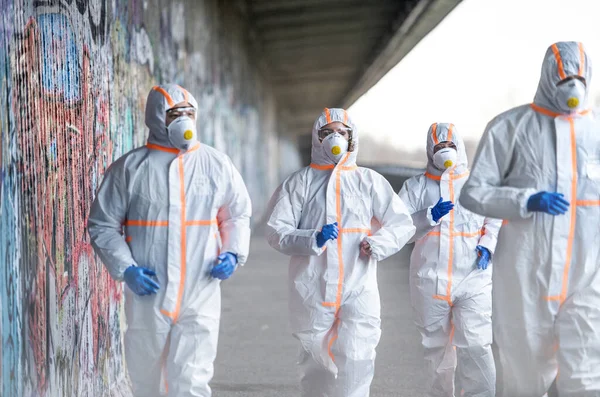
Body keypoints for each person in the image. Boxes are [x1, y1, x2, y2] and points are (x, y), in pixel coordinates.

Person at [88, 84, 252, 397]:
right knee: (146, 379)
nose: (184, 121)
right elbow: (102, 224)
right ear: (156, 118)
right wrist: (126, 269)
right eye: (176, 114)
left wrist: (232, 252)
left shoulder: (216, 165)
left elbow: (236, 215)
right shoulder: (130, 169)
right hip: (149, 293)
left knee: (192, 380)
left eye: (190, 114)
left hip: (200, 290)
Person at [460, 41, 600, 396]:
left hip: (588, 279)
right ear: (548, 76)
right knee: (523, 378)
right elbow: (473, 191)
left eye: (580, 77)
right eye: (565, 76)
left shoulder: (597, 133)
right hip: (526, 281)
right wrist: (525, 199)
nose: (573, 85)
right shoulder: (511, 128)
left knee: (586, 378)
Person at [265, 108, 415, 396]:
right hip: (312, 286)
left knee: (358, 359)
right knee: (317, 365)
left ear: (351, 138)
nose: (335, 137)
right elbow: (275, 230)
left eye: (342, 132)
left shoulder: (368, 181)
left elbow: (402, 223)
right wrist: (311, 238)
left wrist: (379, 244)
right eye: (327, 132)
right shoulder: (300, 183)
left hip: (358, 286)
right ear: (317, 139)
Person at [398, 123, 501, 397]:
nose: (445, 151)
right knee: (436, 353)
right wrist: (427, 217)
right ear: (430, 152)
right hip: (430, 281)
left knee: (477, 345)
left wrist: (488, 245)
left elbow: (495, 217)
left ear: (460, 149)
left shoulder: (477, 183)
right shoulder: (415, 187)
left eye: (450, 146)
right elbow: (397, 229)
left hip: (472, 278)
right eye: (439, 147)